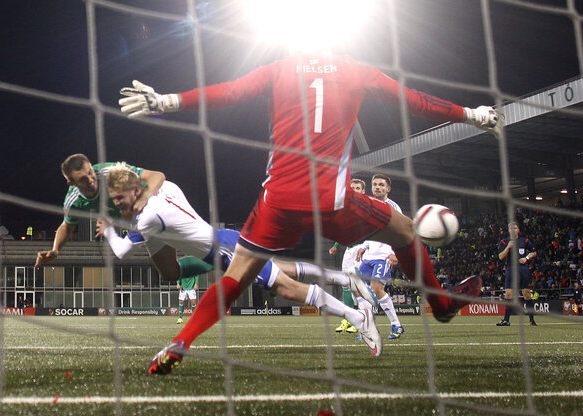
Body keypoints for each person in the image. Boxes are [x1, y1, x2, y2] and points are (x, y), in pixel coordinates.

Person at [119, 52, 498, 374]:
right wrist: (472, 114)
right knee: (405, 231)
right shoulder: (356, 69)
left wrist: (167, 101)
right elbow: (414, 100)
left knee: (234, 279)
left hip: (276, 202)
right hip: (331, 201)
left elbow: (231, 92)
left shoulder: (281, 67)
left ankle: (180, 342)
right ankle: (442, 305)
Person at [94, 164, 381, 366]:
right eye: (114, 200)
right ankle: (344, 280)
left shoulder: (146, 219)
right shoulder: (165, 188)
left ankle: (357, 317)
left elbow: (120, 251)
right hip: (225, 242)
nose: (117, 204)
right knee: (283, 271)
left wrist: (108, 229)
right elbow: (159, 180)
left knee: (287, 288)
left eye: (120, 198)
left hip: (224, 251)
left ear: (135, 190)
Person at [34, 154, 214, 280]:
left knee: (205, 241)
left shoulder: (108, 172)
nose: (90, 179)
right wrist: (56, 250)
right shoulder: (73, 201)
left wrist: (143, 199)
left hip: (160, 197)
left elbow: (157, 176)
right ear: (71, 183)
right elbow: (67, 225)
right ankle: (218, 260)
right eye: (82, 179)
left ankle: (226, 253)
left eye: (90, 172)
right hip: (141, 218)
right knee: (170, 273)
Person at [355, 174, 405, 340]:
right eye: (375, 184)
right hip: (369, 255)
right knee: (358, 289)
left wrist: (395, 253)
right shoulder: (370, 205)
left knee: (376, 288)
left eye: (381, 185)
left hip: (384, 256)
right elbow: (371, 230)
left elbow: (401, 231)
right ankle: (366, 329)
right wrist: (363, 246)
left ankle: (396, 325)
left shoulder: (393, 207)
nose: (377, 187)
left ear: (388, 189)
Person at [328, 178, 368, 335]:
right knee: (346, 284)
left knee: (357, 284)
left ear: (363, 191)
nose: (354, 190)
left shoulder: (366, 207)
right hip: (349, 249)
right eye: (352, 187)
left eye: (357, 188)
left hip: (361, 248)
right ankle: (349, 319)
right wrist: (336, 246)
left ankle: (360, 318)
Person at [496, 222, 538, 326]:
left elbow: (534, 252)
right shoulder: (504, 241)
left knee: (526, 294)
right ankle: (506, 320)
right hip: (510, 268)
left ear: (518, 229)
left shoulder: (524, 240)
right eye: (511, 228)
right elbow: (501, 257)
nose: (513, 230)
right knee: (509, 294)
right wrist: (508, 247)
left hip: (522, 269)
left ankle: (532, 320)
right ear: (509, 230)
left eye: (515, 228)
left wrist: (526, 258)